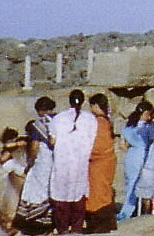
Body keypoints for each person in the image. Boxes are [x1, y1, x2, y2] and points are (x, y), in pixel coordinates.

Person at [49, 88, 98, 234]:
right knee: (78, 193)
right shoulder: (90, 119)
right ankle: (76, 228)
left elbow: (52, 140)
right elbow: (92, 140)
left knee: (61, 195)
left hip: (62, 162)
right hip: (80, 163)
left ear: (69, 101)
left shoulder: (58, 119)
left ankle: (63, 228)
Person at [17, 96, 58, 235]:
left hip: (43, 161)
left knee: (38, 189)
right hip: (59, 158)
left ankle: (38, 219)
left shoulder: (38, 125)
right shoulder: (60, 120)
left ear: (40, 110)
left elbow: (34, 146)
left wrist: (30, 162)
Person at [85, 92, 118, 233]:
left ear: (96, 106)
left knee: (98, 194)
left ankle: (100, 225)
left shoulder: (99, 122)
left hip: (99, 162)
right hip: (107, 161)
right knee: (104, 191)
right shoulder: (106, 120)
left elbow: (98, 146)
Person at [116, 100, 154, 220]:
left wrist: (132, 145)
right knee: (139, 185)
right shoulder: (148, 127)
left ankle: (129, 209)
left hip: (130, 156)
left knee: (130, 184)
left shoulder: (129, 126)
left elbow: (122, 145)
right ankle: (129, 211)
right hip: (142, 156)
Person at [0, 127, 28, 236]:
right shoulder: (9, 150)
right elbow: (3, 159)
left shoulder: (19, 147)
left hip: (19, 183)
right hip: (13, 185)